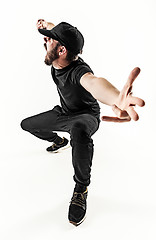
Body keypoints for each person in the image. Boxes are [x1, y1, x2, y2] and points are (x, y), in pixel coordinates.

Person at [21, 19, 145, 226]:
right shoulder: (60, 55)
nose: (45, 42)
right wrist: (47, 26)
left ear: (61, 50)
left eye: (50, 40)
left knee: (78, 130)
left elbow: (94, 83)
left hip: (86, 117)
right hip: (65, 113)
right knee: (27, 124)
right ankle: (60, 142)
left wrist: (116, 98)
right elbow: (52, 31)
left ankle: (81, 189)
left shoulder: (79, 71)